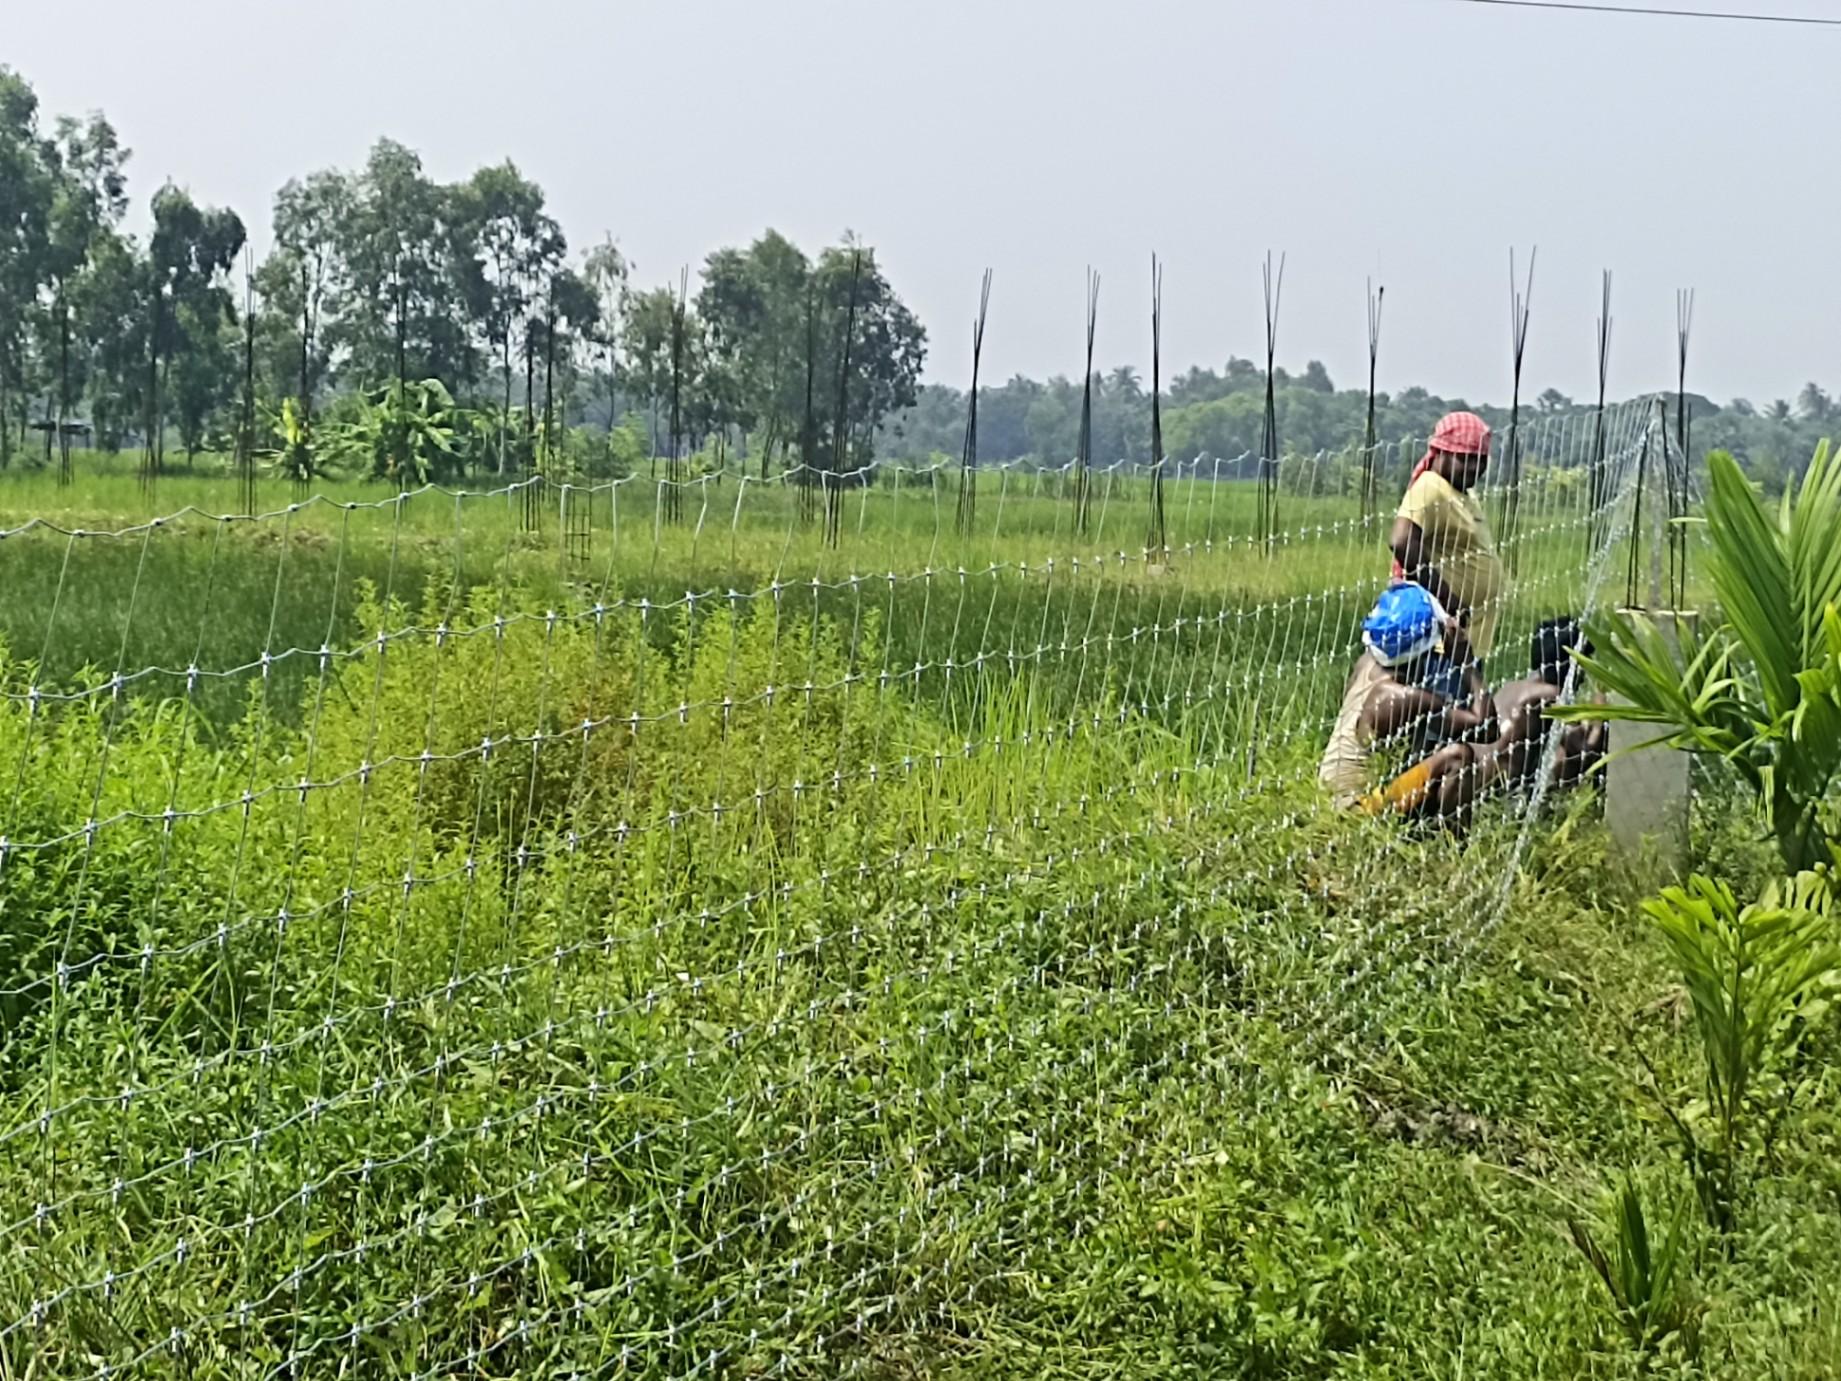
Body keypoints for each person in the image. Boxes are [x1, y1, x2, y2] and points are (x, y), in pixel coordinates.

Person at [1319, 581, 1495, 816]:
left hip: (1329, 795)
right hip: (1355, 807)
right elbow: (1487, 728)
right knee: (1458, 757)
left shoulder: (1367, 663)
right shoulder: (1403, 697)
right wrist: (1467, 662)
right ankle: (1452, 839)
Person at [1391, 411, 1506, 667]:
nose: (1475, 468)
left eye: (1480, 460)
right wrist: (1446, 598)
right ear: (1441, 452)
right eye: (1465, 459)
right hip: (1442, 641)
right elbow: (1402, 541)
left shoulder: (1460, 492)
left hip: (1464, 641)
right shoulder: (1430, 487)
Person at [1488, 616, 1608, 795]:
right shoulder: (1550, 696)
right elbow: (1584, 751)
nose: (1584, 676)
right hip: (1502, 783)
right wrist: (1601, 716)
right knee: (1566, 757)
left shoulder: (1512, 687)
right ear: (1570, 665)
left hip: (1487, 768)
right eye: (1583, 664)